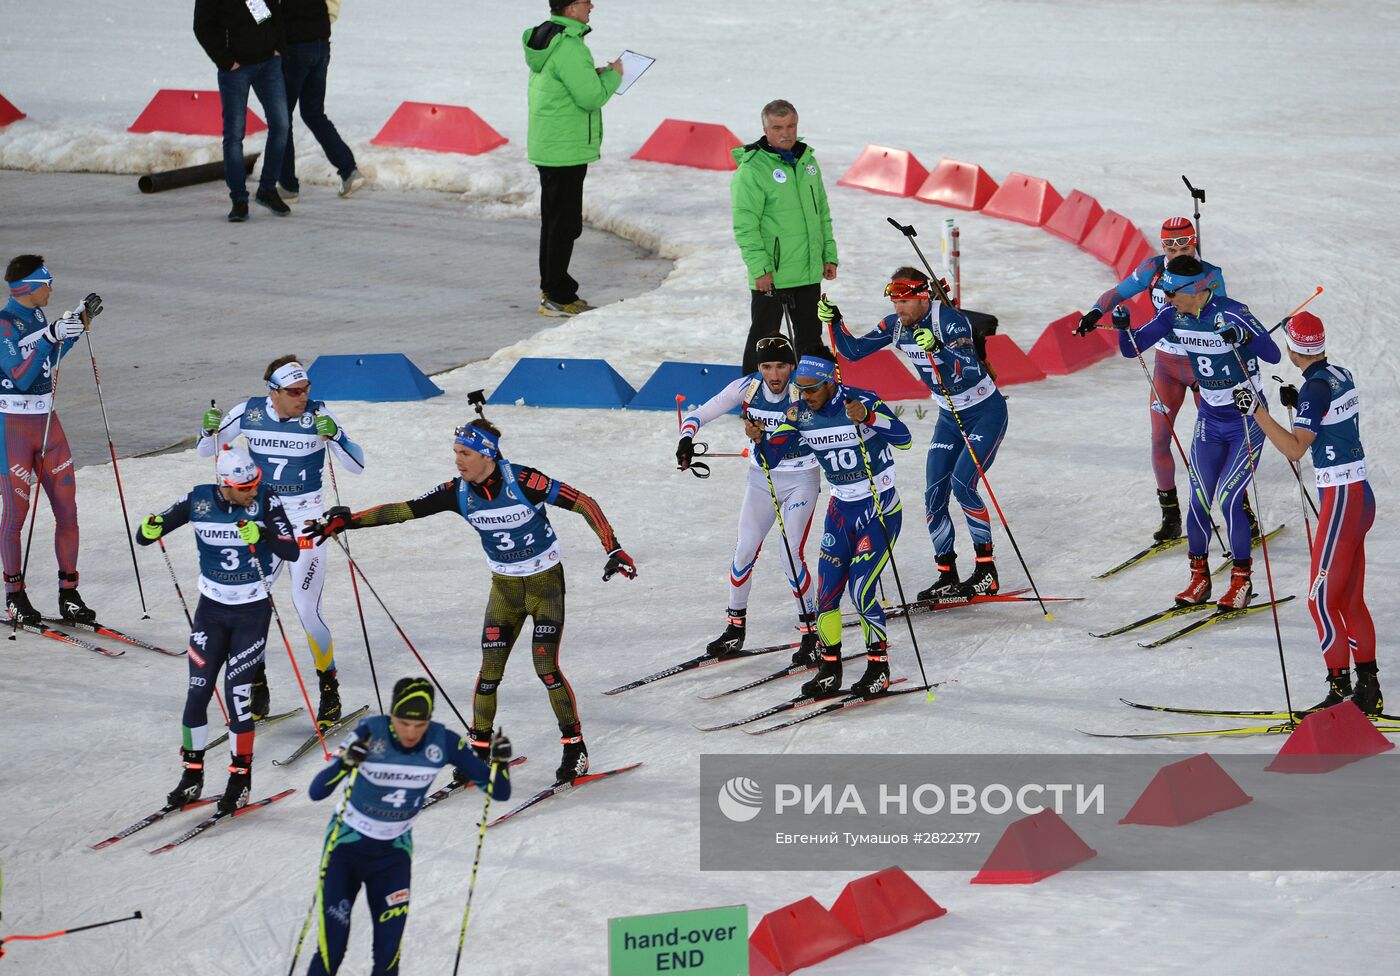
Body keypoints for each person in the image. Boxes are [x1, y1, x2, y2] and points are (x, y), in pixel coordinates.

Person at [305, 418, 635, 784]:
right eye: (456, 452)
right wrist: (350, 521)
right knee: (489, 675)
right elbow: (405, 510)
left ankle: (575, 749)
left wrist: (613, 547)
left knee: (546, 668)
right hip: (505, 590)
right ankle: (479, 750)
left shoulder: (523, 480)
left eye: (465, 453)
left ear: (487, 455)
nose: (458, 461)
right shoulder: (457, 491)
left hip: (545, 587)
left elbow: (583, 502)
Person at [304, 676, 512, 976]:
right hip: (345, 850)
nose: (411, 732)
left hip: (392, 857)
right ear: (392, 717)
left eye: (420, 725)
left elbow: (499, 791)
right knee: (331, 952)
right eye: (403, 723)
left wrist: (500, 763)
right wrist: (345, 762)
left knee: (388, 959)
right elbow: (316, 791)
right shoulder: (369, 732)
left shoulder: (443, 740)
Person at [198, 356, 365, 729]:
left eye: (306, 390)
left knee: (306, 607)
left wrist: (335, 436)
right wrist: (206, 429)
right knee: (250, 603)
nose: (302, 397)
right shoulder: (248, 412)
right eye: (293, 392)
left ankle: (329, 689)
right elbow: (206, 450)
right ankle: (258, 688)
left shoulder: (319, 413)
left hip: (308, 523)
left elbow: (357, 465)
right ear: (273, 392)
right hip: (266, 521)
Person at [824, 268, 1007, 601]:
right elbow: (851, 352)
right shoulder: (896, 326)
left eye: (905, 301)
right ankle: (946, 574)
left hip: (985, 412)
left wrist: (937, 348)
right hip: (949, 415)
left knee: (962, 484)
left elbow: (968, 367)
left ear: (923, 297)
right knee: (934, 494)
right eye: (895, 301)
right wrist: (835, 322)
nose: (899, 309)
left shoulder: (950, 321)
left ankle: (986, 572)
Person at [137, 446, 301, 814]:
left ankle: (240, 780)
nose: (252, 492)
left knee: (237, 696)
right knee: (197, 692)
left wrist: (261, 534)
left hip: (251, 612)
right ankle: (191, 776)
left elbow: (290, 550)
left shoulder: (267, 500)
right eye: (244, 488)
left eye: (255, 484)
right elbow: (148, 533)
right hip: (211, 611)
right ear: (224, 485)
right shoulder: (198, 499)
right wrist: (149, 529)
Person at [1074, 217, 1257, 543]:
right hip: (1167, 367)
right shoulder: (1152, 270)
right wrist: (1093, 313)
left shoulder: (1210, 275)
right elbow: (1117, 293)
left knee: (1220, 441)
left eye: (1183, 247)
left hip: (1205, 369)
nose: (1174, 253)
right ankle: (1170, 514)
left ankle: (1240, 509)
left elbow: (1220, 315)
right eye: (1169, 247)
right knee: (1160, 438)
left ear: (1194, 244)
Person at [1112, 255, 1280, 609]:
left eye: (1171, 292)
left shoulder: (1232, 311)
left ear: (1193, 289)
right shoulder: (1173, 315)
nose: (1166, 298)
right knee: (1199, 499)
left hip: (1247, 420)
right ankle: (1199, 578)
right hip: (1210, 419)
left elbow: (1274, 353)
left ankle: (1241, 581)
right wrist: (1122, 325)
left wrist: (1242, 336)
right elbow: (1132, 350)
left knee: (1230, 499)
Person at [1232, 312, 1380, 714]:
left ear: (1294, 349)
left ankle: (1340, 691)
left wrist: (1257, 412)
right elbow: (1328, 418)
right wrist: (1300, 406)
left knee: (1319, 602)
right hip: (1359, 495)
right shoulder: (1340, 374)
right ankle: (1369, 691)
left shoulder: (1314, 389)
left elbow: (1296, 449)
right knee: (1349, 600)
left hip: (1341, 500)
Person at [747, 347, 912, 699]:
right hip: (840, 510)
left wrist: (868, 417)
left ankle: (878, 669)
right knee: (827, 595)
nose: (805, 396)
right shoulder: (798, 412)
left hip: (878, 508)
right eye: (801, 389)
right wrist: (759, 438)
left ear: (831, 382)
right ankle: (830, 669)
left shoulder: (861, 401)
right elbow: (771, 458)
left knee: (863, 590)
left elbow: (905, 438)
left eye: (812, 390)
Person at [677, 334, 821, 662]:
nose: (774, 375)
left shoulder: (805, 390)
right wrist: (686, 440)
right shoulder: (747, 387)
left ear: (793, 366)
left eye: (781, 366)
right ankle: (734, 629)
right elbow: (699, 415)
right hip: (761, 479)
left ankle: (812, 633)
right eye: (767, 366)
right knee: (743, 552)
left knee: (790, 555)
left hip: (801, 478)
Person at [1, 255, 96, 627]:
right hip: (13, 427)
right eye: (47, 283)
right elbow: (21, 376)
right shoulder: (5, 324)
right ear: (26, 287)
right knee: (15, 516)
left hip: (47, 423)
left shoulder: (38, 317)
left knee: (68, 511)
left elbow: (47, 360)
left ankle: (68, 593)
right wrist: (52, 337)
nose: (51, 289)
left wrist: (73, 330)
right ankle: (14, 596)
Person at [523, 0, 623, 317]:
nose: (591, 6)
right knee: (564, 225)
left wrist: (595, 75)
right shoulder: (569, 46)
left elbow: (567, 83)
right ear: (570, 8)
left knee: (557, 223)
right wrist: (615, 75)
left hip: (553, 146)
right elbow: (591, 97)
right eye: (585, 2)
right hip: (564, 150)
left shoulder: (549, 38)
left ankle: (556, 289)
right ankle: (556, 295)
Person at [731, 99, 838, 373]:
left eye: (791, 125)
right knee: (764, 339)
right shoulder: (752, 169)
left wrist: (829, 255)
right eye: (778, 127)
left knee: (810, 339)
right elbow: (746, 226)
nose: (786, 133)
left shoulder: (807, 162)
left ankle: (810, 397)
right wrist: (760, 269)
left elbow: (821, 213)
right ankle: (751, 397)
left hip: (808, 270)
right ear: (766, 130)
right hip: (773, 275)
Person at [194, 0, 293, 221]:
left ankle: (267, 189)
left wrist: (278, 46)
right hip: (235, 70)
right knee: (234, 134)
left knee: (281, 125)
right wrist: (226, 61)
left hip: (269, 63)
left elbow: (271, 10)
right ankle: (239, 199)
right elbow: (202, 26)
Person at [277, 0, 366, 202]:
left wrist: (266, 34)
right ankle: (348, 170)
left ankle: (287, 186)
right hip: (319, 42)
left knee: (281, 118)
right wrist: (325, 20)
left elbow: (261, 8)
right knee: (313, 113)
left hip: (294, 45)